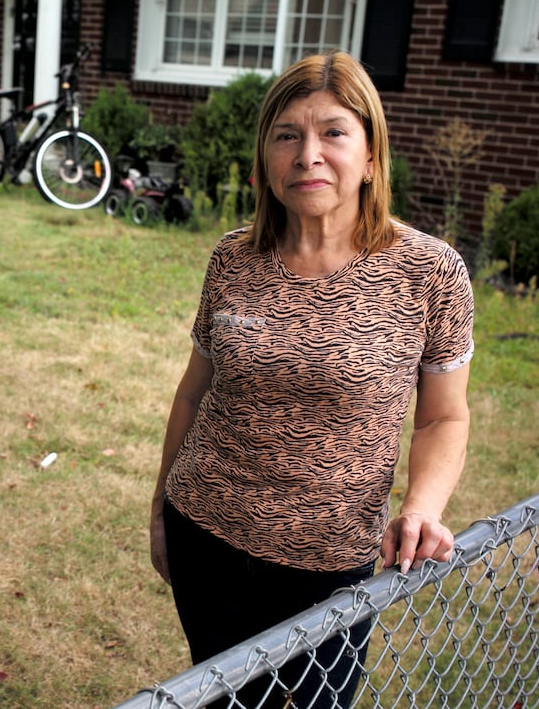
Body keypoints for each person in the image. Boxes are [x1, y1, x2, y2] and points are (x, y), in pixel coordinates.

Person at [149, 51, 474, 708]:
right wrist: (160, 508)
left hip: (332, 565)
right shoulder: (233, 258)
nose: (308, 155)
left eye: (333, 132)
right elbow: (193, 392)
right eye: (287, 135)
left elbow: (444, 417)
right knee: (224, 699)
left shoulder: (429, 273)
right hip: (205, 533)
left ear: (372, 156)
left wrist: (423, 506)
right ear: (265, 159)